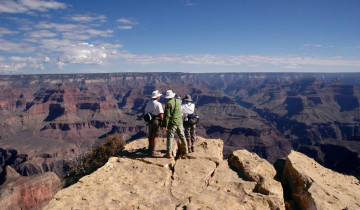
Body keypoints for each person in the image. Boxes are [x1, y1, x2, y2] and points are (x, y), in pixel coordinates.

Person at [162, 90, 188, 158]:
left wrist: (165, 125)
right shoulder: (178, 101)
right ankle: (186, 149)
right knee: (182, 136)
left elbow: (167, 116)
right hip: (179, 121)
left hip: (172, 123)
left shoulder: (168, 103)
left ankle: (169, 153)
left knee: (170, 137)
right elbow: (180, 99)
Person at [144, 90, 164, 156]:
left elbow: (146, 111)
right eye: (159, 96)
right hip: (156, 121)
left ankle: (149, 148)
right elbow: (161, 114)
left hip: (150, 121)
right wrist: (163, 121)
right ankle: (153, 150)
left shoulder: (149, 103)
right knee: (155, 135)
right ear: (157, 97)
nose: (159, 97)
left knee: (150, 134)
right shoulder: (158, 104)